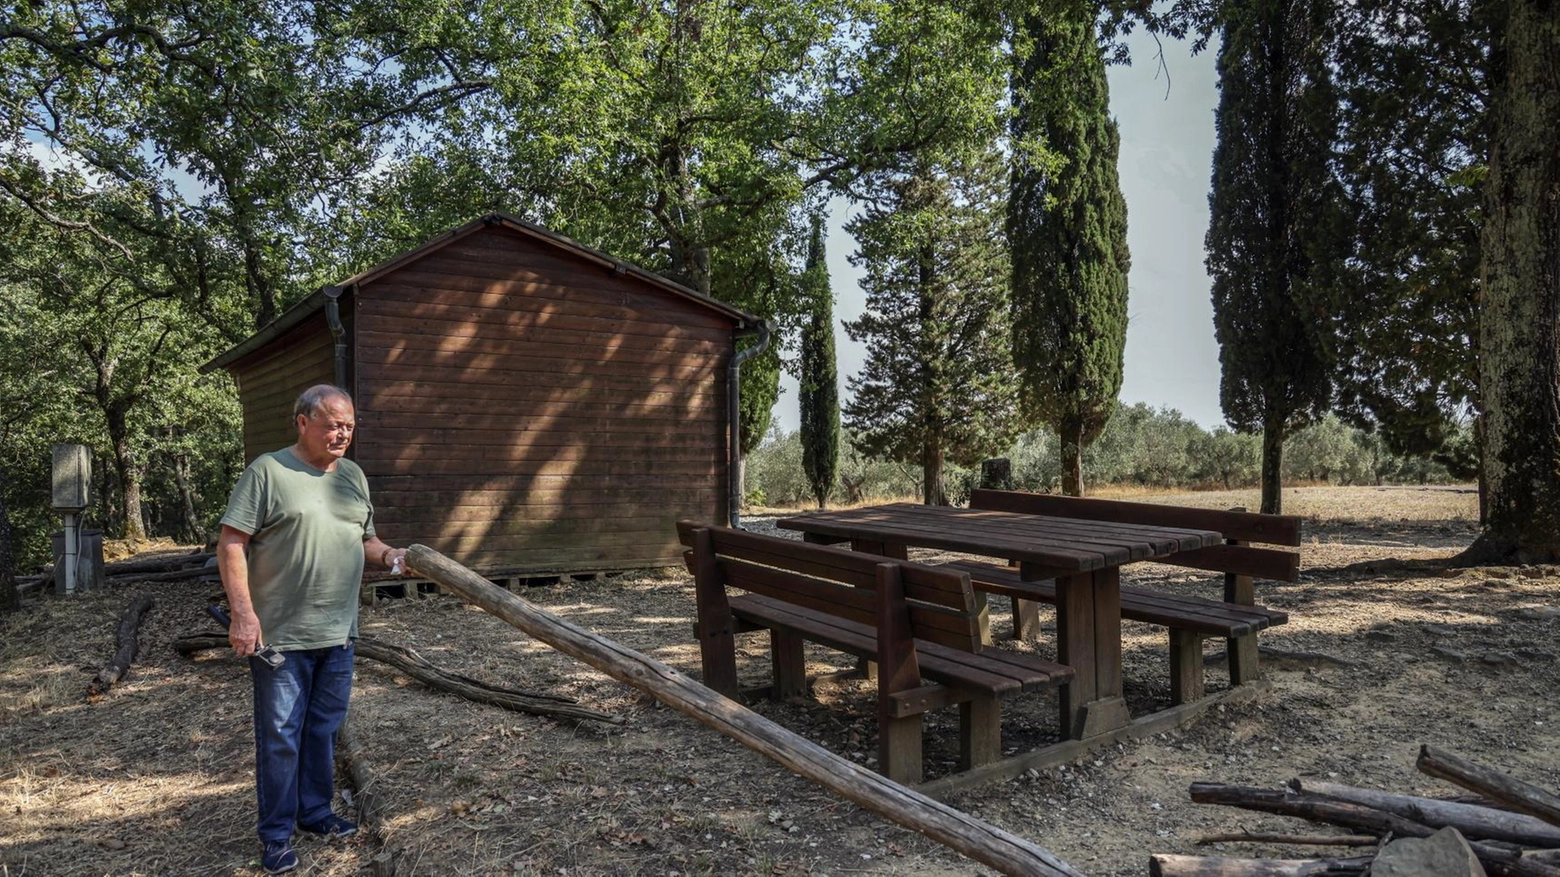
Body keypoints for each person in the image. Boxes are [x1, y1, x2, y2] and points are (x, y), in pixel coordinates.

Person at [216, 384, 406, 875]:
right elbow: (232, 542)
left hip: (339, 632)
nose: (342, 433)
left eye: (348, 426)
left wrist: (389, 555)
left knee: (322, 730)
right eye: (332, 424)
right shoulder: (269, 471)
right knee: (281, 736)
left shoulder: (353, 477)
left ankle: (315, 813)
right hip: (278, 636)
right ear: (302, 422)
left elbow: (364, 538)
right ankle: (276, 835)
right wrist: (243, 614)